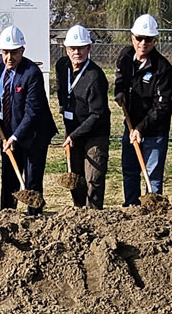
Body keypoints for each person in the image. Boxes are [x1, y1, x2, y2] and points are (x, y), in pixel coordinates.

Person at [0, 25, 57, 215]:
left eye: (14, 52)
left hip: (34, 134)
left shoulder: (31, 73)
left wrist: (15, 138)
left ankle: (34, 218)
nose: (9, 57)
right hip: (8, 130)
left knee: (32, 179)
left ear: (22, 51)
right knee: (9, 177)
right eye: (5, 52)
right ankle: (7, 216)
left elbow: (32, 113)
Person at [114, 14, 172, 206]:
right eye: (139, 38)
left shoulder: (162, 68)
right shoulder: (125, 57)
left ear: (155, 40)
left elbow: (162, 106)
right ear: (132, 37)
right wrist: (119, 92)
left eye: (148, 39)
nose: (143, 43)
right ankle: (131, 207)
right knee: (130, 171)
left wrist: (141, 128)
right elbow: (120, 80)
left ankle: (152, 212)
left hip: (154, 130)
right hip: (130, 126)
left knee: (152, 176)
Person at [55, 25, 110, 209]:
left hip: (95, 134)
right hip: (73, 131)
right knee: (75, 177)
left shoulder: (95, 77)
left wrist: (74, 134)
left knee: (93, 178)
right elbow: (62, 93)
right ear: (66, 49)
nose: (77, 52)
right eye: (73, 48)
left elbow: (97, 114)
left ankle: (94, 216)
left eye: (81, 48)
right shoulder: (62, 67)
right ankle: (78, 213)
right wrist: (67, 125)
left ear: (89, 48)